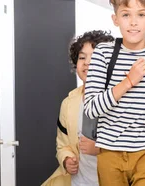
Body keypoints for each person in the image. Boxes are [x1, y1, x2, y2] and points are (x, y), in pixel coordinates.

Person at [83, 0, 145, 185]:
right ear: (115, 19)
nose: (133, 22)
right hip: (110, 152)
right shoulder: (103, 53)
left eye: (141, 15)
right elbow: (91, 108)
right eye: (126, 15)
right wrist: (128, 81)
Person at [42, 30, 114, 186]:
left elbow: (132, 146)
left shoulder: (118, 98)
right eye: (82, 57)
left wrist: (100, 149)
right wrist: (67, 159)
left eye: (95, 57)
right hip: (78, 182)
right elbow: (63, 145)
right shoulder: (68, 103)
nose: (87, 62)